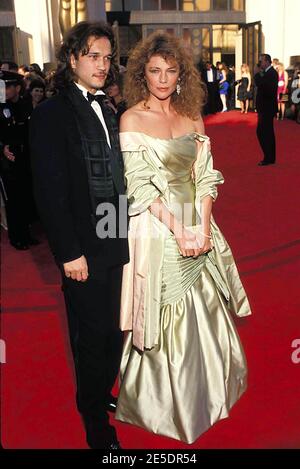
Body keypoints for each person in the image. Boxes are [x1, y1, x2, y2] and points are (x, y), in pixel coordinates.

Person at [115, 32, 252, 444]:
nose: (162, 79)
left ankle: (210, 392)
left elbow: (205, 175)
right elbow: (138, 186)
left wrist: (203, 226)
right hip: (157, 226)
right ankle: (167, 404)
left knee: (206, 306)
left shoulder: (192, 116)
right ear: (142, 74)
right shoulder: (132, 119)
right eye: (154, 71)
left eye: (170, 71)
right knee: (167, 308)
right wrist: (179, 229)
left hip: (198, 220)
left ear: (182, 75)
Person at [30, 21, 129, 449]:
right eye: (93, 56)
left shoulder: (108, 107)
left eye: (107, 58)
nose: (102, 65)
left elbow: (115, 176)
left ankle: (100, 393)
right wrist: (70, 253)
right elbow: (49, 190)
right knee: (91, 338)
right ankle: (94, 424)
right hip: (82, 251)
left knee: (114, 331)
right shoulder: (52, 113)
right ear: (71, 58)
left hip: (114, 239)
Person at [0, 70, 38, 250]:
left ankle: (27, 234)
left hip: (26, 158)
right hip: (9, 161)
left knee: (25, 198)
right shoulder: (1, 107)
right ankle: (16, 237)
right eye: (3, 87)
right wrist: (2, 148)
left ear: (17, 88)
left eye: (8, 87)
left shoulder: (24, 105)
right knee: (13, 201)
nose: (5, 90)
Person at [254, 54, 278, 166]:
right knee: (266, 132)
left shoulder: (272, 73)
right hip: (264, 108)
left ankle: (269, 157)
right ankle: (269, 157)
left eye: (261, 61)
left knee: (264, 132)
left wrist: (257, 74)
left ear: (267, 61)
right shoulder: (266, 73)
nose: (260, 63)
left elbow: (262, 85)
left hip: (267, 108)